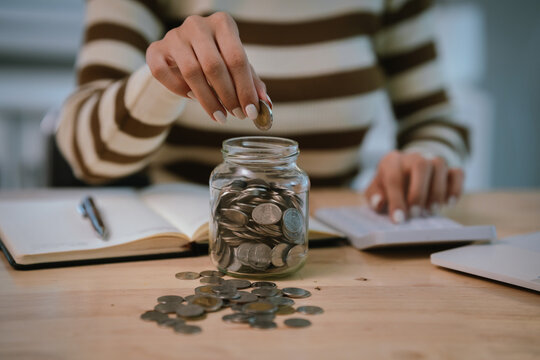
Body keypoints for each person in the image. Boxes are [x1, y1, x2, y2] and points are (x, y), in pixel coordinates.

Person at [56, 0, 469, 223]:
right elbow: (85, 154)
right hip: (177, 241)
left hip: (343, 235)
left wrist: (427, 162)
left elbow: (434, 120)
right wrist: (161, 76)